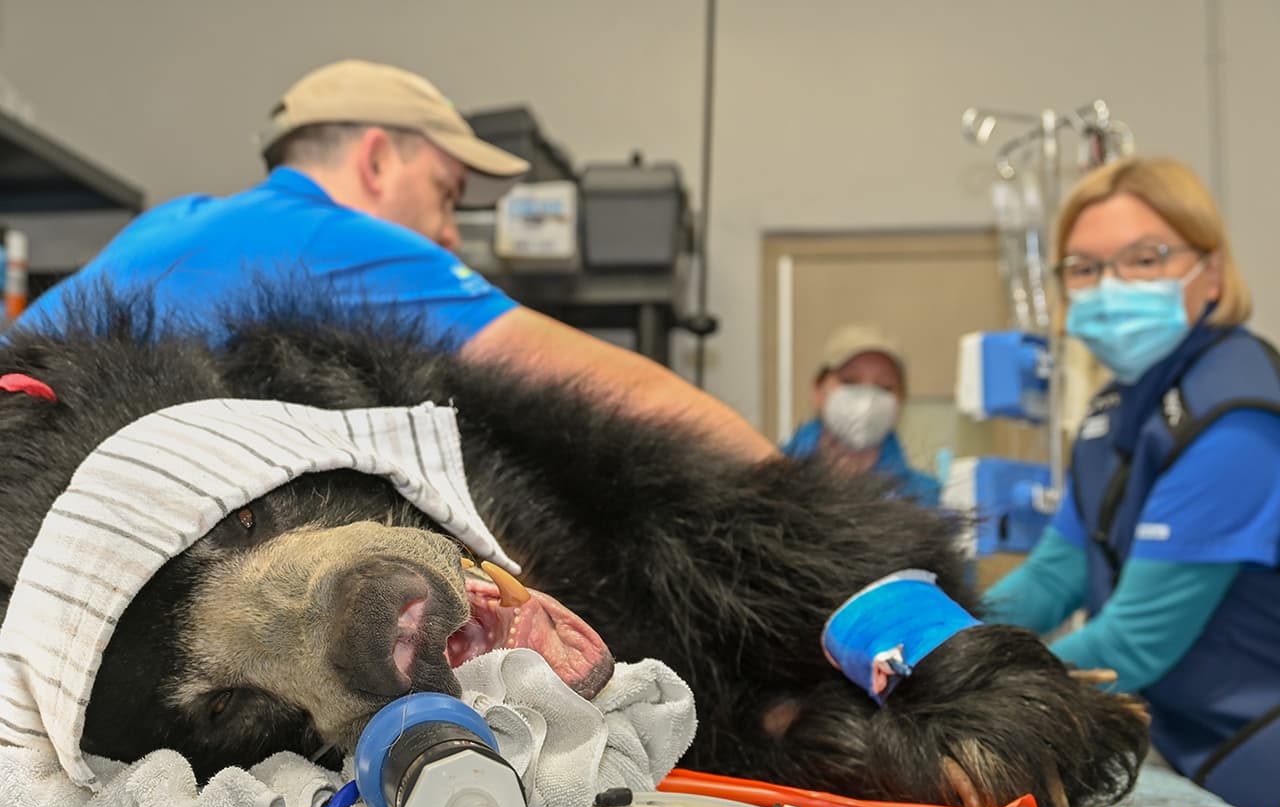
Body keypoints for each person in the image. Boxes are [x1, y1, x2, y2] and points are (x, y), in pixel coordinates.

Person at [10, 59, 775, 461]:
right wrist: (789, 488)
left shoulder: (175, 219)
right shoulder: (336, 241)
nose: (449, 232)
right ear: (376, 161)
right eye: (446, 193)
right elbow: (615, 388)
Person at [982, 156, 1280, 807]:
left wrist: (975, 692)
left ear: (1212, 273)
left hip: (1255, 744)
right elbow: (1052, 575)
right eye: (1085, 268)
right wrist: (945, 629)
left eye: (1145, 259)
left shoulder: (1235, 418)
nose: (1110, 286)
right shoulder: (1114, 413)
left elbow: (1133, 642)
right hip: (1180, 736)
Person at [781, 325, 940, 506]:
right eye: (850, 381)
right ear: (817, 391)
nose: (867, 400)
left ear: (900, 403)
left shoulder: (924, 497)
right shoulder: (774, 473)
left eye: (884, 387)